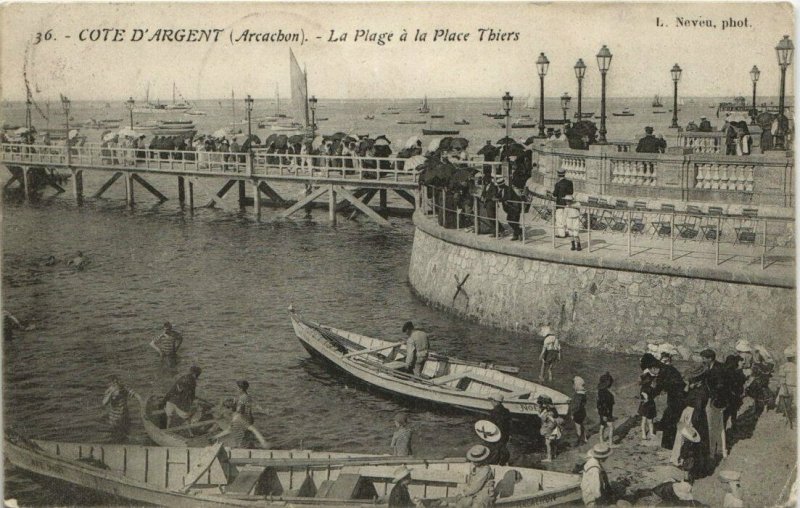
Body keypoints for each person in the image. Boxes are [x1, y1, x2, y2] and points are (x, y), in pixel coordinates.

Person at [699, 349, 726, 461]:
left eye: (704, 358)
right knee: (720, 427)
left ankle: (712, 452)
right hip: (720, 400)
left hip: (715, 401)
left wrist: (712, 398)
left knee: (712, 426)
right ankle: (722, 450)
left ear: (710, 358)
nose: (703, 360)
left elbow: (720, 385)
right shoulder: (716, 366)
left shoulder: (716, 369)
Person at [487, 394, 511, 465]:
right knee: (502, 448)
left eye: (492, 401)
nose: (491, 403)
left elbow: (491, 425)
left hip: (496, 435)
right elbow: (509, 424)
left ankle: (495, 463)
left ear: (496, 402)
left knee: (495, 450)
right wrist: (509, 434)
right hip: (505, 434)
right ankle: (503, 462)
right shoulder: (507, 411)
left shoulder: (493, 412)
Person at [639, 356, 659, 441]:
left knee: (650, 420)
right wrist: (646, 397)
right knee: (644, 420)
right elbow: (643, 394)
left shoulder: (648, 386)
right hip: (645, 404)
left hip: (649, 404)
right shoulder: (644, 389)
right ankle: (644, 434)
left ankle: (651, 433)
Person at [775, 346, 796, 423]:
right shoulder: (795, 366)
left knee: (783, 400)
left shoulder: (783, 367)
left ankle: (785, 414)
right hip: (793, 388)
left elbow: (782, 380)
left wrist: (785, 389)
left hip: (786, 387)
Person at [552, 169, 573, 238]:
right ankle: (568, 232)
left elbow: (554, 194)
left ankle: (561, 234)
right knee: (567, 218)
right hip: (568, 203)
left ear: (558, 175)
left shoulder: (557, 184)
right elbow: (571, 192)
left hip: (560, 204)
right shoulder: (570, 182)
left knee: (560, 219)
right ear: (564, 174)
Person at [597, 372, 616, 446]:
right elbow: (605, 405)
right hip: (607, 413)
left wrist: (602, 414)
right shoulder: (607, 394)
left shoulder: (600, 391)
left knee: (602, 426)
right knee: (611, 427)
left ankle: (601, 440)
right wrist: (605, 415)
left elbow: (600, 404)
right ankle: (611, 443)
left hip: (602, 413)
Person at [570, 376, 588, 445]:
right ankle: (585, 438)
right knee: (582, 425)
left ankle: (580, 440)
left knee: (578, 427)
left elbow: (576, 406)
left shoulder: (577, 395)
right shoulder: (583, 394)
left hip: (577, 413)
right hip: (583, 411)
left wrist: (572, 413)